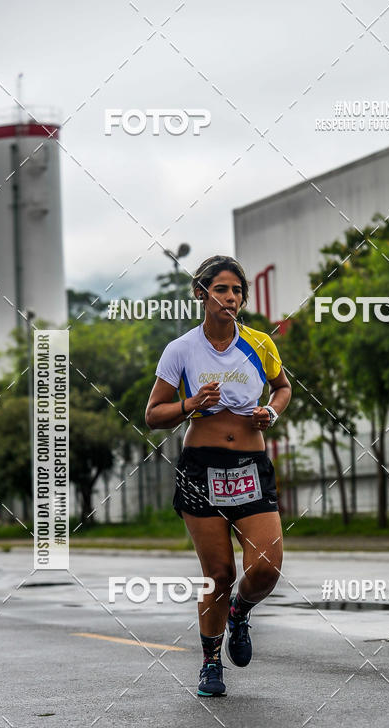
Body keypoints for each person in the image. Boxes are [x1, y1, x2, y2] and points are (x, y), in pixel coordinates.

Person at [145, 255, 292, 697]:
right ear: (201, 293)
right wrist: (190, 404)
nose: (230, 298)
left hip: (250, 468)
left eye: (237, 291)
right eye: (221, 289)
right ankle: (211, 661)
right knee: (219, 571)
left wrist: (272, 411)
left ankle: (240, 612)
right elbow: (153, 415)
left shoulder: (259, 343)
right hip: (201, 468)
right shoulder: (181, 350)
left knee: (266, 568)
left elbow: (283, 388)